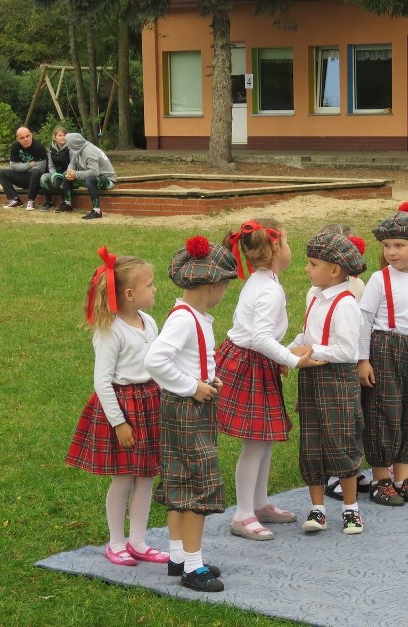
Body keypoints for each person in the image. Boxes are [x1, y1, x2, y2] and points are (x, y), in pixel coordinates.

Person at [216, 218, 324, 541]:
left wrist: (284, 353)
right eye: (288, 243)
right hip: (250, 365)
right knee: (256, 443)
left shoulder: (264, 281)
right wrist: (293, 359)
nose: (291, 250)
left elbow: (264, 337)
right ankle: (242, 514)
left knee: (264, 441)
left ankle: (259, 503)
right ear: (276, 247)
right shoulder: (268, 290)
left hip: (253, 362)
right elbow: (261, 338)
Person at [144, 236, 236, 593]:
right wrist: (192, 386)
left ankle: (178, 556)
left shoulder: (193, 314)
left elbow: (187, 358)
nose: (224, 292)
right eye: (225, 286)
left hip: (187, 406)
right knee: (197, 483)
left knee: (180, 478)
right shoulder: (184, 319)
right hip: (187, 409)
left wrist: (206, 378)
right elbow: (155, 361)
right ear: (212, 285)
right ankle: (193, 568)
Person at [65, 246, 166, 568]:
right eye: (149, 285)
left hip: (151, 403)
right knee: (123, 477)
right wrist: (119, 423)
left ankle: (138, 541)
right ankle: (116, 541)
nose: (155, 289)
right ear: (129, 293)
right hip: (124, 407)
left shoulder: (149, 322)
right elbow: (102, 382)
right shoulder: (109, 331)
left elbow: (158, 364)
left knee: (147, 475)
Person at [358, 202, 408, 507]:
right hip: (384, 348)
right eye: (387, 246)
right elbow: (364, 321)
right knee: (383, 413)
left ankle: (403, 478)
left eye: (399, 245)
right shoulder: (380, 279)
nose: (392, 252)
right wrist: (363, 359)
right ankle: (381, 478)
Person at [289, 232, 368, 535]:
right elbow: (307, 334)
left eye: (312, 264)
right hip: (311, 375)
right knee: (312, 441)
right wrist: (289, 352)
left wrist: (310, 352)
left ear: (334, 270)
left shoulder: (347, 304)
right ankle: (317, 508)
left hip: (337, 380)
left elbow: (348, 351)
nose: (307, 269)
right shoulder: (313, 295)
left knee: (341, 440)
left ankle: (351, 509)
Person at [60, 132, 117, 220]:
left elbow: (94, 173)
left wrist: (75, 174)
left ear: (73, 144)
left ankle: (96, 211)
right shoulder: (78, 149)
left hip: (107, 180)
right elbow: (72, 164)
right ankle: (68, 204)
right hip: (93, 178)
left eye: (68, 143)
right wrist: (69, 172)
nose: (66, 145)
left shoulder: (89, 151)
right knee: (65, 175)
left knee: (90, 180)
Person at [0, 126, 48, 210]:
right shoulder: (15, 147)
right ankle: (15, 200)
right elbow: (13, 166)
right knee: (1, 173)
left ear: (31, 135)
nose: (26, 139)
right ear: (18, 140)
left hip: (37, 180)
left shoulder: (39, 147)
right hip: (23, 177)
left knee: (35, 172)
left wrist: (20, 166)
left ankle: (31, 201)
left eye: (27, 136)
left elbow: (40, 168)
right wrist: (29, 165)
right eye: (22, 138)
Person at [39, 126, 71, 211]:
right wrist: (53, 173)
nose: (63, 137)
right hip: (56, 173)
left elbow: (73, 164)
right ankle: (48, 202)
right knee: (43, 178)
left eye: (64, 135)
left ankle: (65, 202)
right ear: (55, 137)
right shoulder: (51, 149)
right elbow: (51, 165)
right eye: (60, 135)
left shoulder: (70, 147)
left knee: (55, 177)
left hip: (68, 173)